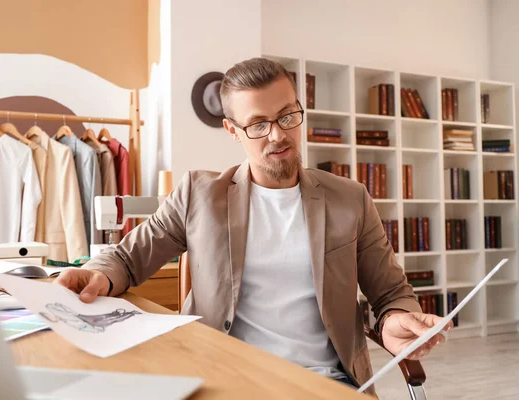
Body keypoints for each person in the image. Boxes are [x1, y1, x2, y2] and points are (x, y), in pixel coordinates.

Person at [56, 57, 452, 393]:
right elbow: (126, 259)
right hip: (224, 379)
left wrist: (397, 321)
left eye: (287, 116)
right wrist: (95, 275)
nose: (278, 135)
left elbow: (391, 293)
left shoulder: (350, 198)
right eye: (258, 124)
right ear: (232, 130)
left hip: (328, 383)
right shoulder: (199, 194)